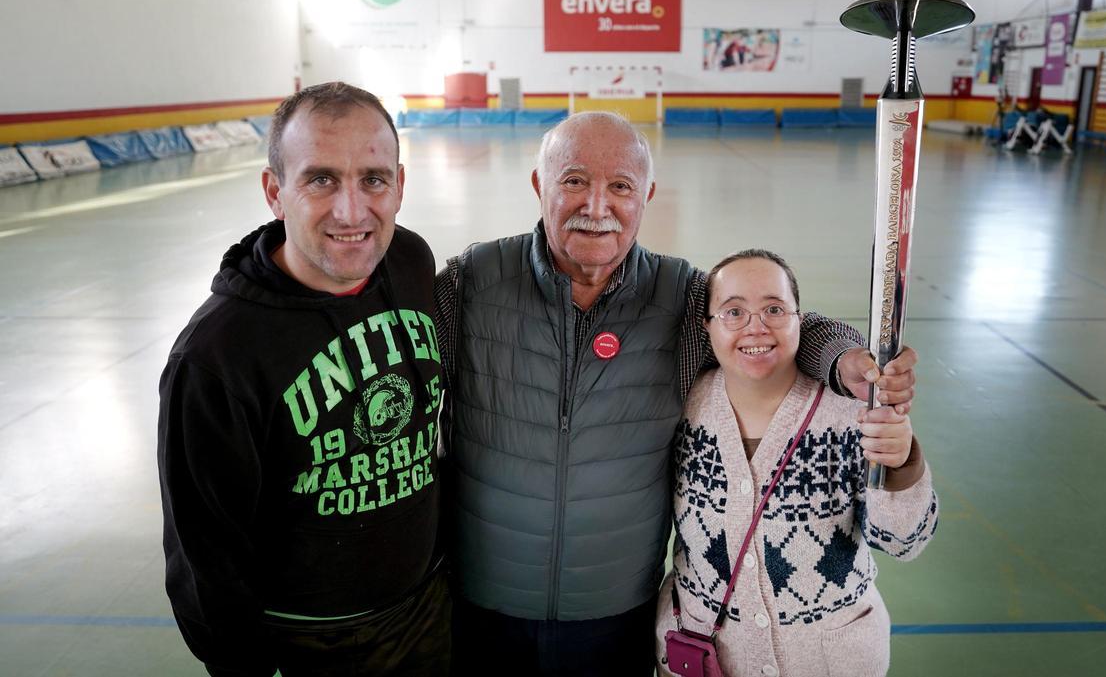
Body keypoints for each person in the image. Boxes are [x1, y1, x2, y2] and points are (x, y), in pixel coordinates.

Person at [436, 111, 919, 676]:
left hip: (616, 611)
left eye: (620, 187)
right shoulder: (474, 282)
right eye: (573, 181)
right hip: (482, 604)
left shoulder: (682, 298)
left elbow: (774, 326)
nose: (597, 207)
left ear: (647, 196)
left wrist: (843, 360)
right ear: (540, 185)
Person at [157, 82, 448, 677]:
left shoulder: (410, 261)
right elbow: (205, 557)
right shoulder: (217, 356)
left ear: (399, 184)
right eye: (320, 179)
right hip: (309, 644)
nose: (351, 211)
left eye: (373, 179)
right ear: (275, 192)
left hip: (428, 609)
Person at [655, 250, 936, 677]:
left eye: (774, 309)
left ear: (799, 320)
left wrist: (899, 463)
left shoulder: (850, 415)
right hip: (704, 656)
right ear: (705, 326)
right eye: (733, 312)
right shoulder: (679, 410)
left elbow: (905, 541)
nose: (756, 327)